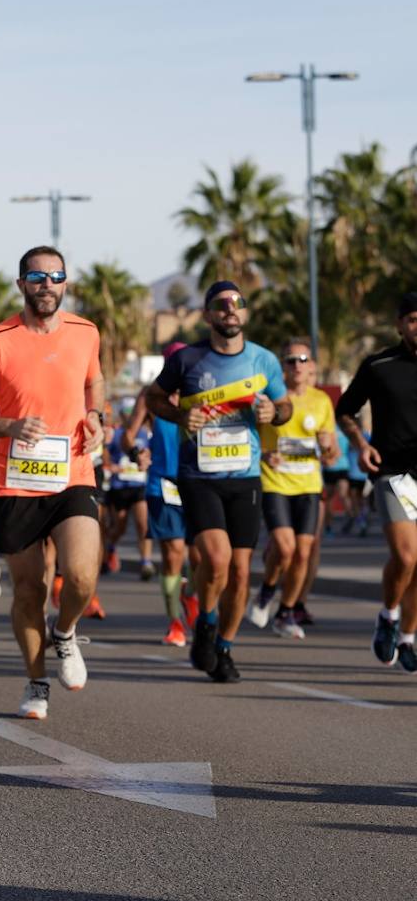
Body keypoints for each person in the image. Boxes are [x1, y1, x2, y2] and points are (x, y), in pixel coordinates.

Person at [0, 245, 104, 720]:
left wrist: (97, 414)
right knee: (29, 590)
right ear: (21, 284)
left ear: (66, 282)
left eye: (56, 277)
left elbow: (93, 382)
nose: (47, 286)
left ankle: (66, 632)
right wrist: (9, 427)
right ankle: (37, 681)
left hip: (72, 472)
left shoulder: (85, 332)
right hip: (15, 482)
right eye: (37, 278)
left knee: (80, 574)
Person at [145, 281, 290, 683]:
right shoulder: (188, 360)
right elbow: (153, 398)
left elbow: (285, 407)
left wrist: (271, 413)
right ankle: (206, 621)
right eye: (220, 305)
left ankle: (222, 645)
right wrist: (177, 416)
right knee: (218, 559)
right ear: (207, 315)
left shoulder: (263, 361)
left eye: (237, 303)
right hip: (199, 477)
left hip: (245, 478)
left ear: (245, 313)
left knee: (241, 573)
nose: (230, 309)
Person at [336, 291, 417, 672]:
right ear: (400, 324)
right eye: (413, 319)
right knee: (406, 556)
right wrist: (360, 444)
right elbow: (345, 410)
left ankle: (408, 637)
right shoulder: (379, 365)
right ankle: (388, 616)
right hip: (394, 472)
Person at [247, 339, 338, 639]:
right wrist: (263, 455)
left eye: (302, 359)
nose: (297, 365)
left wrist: (327, 450)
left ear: (311, 366)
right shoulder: (269, 397)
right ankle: (266, 592)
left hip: (309, 485)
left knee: (303, 553)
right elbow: (248, 439)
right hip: (275, 482)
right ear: (282, 367)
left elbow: (332, 452)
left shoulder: (321, 401)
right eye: (290, 360)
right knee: (284, 547)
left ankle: (285, 613)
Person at [122, 343, 201, 648]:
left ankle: (190, 596)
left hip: (198, 480)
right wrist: (136, 451)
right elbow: (129, 434)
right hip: (163, 483)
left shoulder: (201, 391)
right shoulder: (151, 394)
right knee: (172, 553)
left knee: (200, 557)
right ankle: (175, 623)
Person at [103, 397, 154, 581]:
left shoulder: (145, 434)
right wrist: (111, 465)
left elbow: (152, 453)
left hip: (139, 485)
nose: (131, 418)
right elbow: (106, 453)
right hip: (119, 486)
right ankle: (110, 547)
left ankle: (146, 562)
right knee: (120, 527)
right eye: (127, 414)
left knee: (143, 525)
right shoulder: (118, 435)